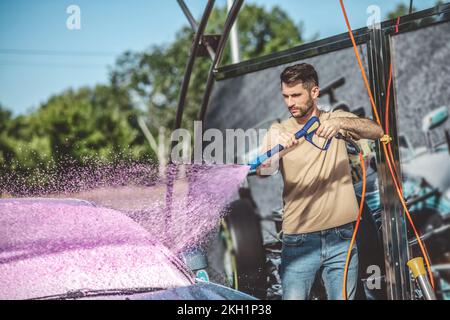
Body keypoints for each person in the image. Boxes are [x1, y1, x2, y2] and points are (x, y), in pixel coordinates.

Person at [257, 63, 384, 300]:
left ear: (314, 92)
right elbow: (262, 172)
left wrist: (342, 123)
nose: (289, 103)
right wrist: (278, 152)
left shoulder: (334, 119)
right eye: (285, 96)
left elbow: (376, 130)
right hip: (299, 241)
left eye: (296, 95)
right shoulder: (278, 131)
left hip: (342, 240)